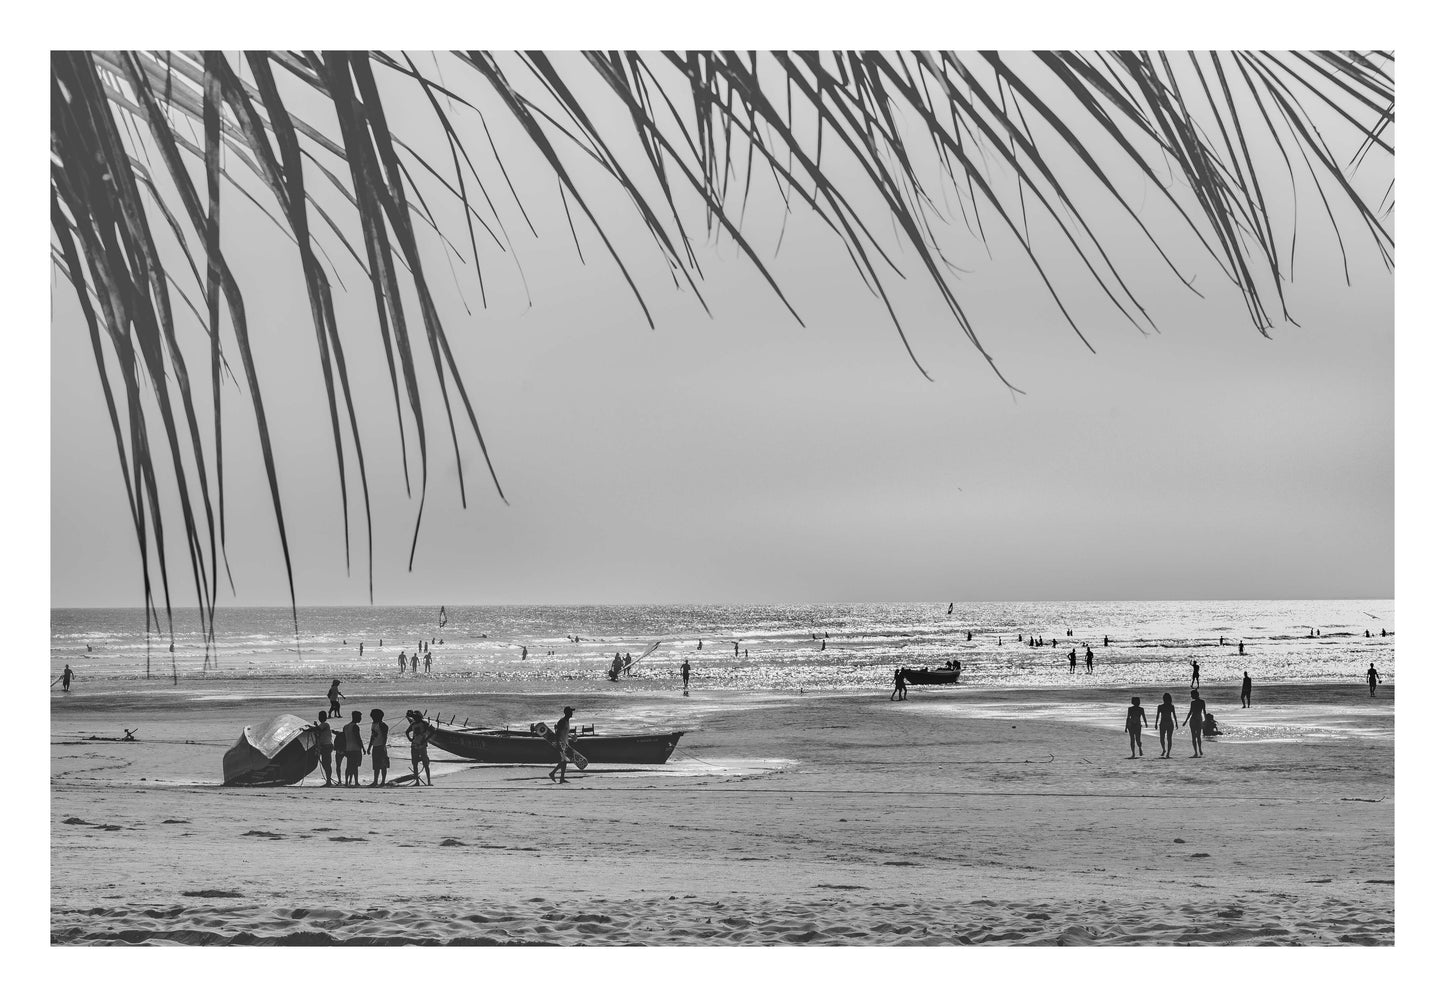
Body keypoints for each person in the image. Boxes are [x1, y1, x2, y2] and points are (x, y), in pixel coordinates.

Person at [548, 706, 575, 783]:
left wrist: (571, 737)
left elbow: (565, 732)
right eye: (570, 712)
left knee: (564, 760)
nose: (572, 713)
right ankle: (552, 773)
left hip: (565, 743)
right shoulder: (562, 721)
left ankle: (561, 778)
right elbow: (557, 734)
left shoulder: (566, 721)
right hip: (561, 743)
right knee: (564, 761)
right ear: (567, 713)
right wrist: (558, 745)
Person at [405, 711, 432, 786]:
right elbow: (407, 732)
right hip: (414, 745)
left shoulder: (424, 723)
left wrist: (426, 739)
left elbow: (433, 730)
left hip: (422, 746)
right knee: (415, 763)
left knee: (425, 764)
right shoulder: (413, 724)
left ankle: (429, 781)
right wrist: (410, 739)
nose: (415, 718)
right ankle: (417, 782)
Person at [341, 711, 365, 787]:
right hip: (355, 749)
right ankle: (356, 782)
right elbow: (358, 738)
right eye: (360, 717)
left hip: (348, 749)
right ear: (356, 717)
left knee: (349, 766)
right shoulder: (355, 726)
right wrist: (363, 748)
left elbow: (344, 739)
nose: (360, 719)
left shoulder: (345, 726)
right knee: (355, 766)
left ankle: (346, 782)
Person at [368, 709, 390, 786]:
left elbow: (385, 737)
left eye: (373, 716)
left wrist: (383, 746)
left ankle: (383, 781)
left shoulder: (383, 725)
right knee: (376, 766)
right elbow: (372, 736)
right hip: (375, 746)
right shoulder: (373, 724)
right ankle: (375, 781)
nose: (372, 718)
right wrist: (369, 747)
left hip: (381, 746)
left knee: (383, 765)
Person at [314, 711, 335, 786]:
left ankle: (329, 781)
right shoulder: (321, 725)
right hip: (323, 746)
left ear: (325, 717)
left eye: (321, 716)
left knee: (327, 764)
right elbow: (318, 731)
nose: (320, 718)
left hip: (327, 746)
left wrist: (309, 729)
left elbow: (318, 730)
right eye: (319, 716)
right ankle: (328, 780)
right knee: (325, 764)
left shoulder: (326, 724)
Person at [1183, 690, 1207, 757]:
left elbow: (1190, 712)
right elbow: (1204, 711)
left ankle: (1196, 752)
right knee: (1198, 736)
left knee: (1194, 737)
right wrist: (1206, 720)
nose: (1191, 696)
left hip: (1193, 720)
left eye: (1192, 695)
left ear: (1195, 695)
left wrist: (1185, 721)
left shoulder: (1193, 703)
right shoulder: (1202, 702)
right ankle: (1199, 749)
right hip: (1199, 719)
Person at [1155, 693, 1178, 758]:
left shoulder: (1168, 706)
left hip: (1166, 723)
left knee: (1165, 738)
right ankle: (1166, 751)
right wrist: (1156, 723)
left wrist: (1176, 723)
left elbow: (1174, 715)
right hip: (1167, 723)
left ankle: (1166, 751)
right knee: (1165, 738)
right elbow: (1158, 715)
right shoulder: (1163, 706)